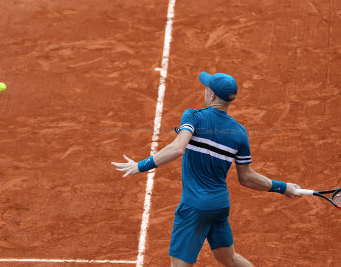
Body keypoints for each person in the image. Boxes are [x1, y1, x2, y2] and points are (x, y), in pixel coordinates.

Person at [111, 72, 302, 266]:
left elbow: (178, 148)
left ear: (211, 96)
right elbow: (247, 177)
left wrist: (140, 166)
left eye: (207, 88)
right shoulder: (240, 133)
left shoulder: (193, 116)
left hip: (194, 206)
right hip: (219, 206)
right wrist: (284, 187)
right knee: (228, 258)